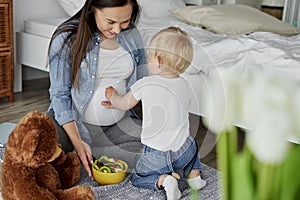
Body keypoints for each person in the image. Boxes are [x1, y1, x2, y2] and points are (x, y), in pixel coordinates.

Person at [46, 0, 148, 180]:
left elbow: (142, 80)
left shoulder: (132, 35)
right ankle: (84, 151)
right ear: (93, 10)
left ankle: (92, 153)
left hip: (117, 126)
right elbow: (60, 95)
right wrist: (78, 142)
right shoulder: (67, 37)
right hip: (72, 126)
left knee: (157, 151)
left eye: (124, 21)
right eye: (110, 22)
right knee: (33, 146)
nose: (117, 29)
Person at [101, 27, 206, 200]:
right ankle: (194, 177)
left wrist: (112, 96)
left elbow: (124, 104)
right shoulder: (186, 85)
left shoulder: (146, 83)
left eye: (149, 57)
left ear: (156, 61)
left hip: (156, 155)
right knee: (191, 142)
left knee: (137, 177)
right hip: (184, 152)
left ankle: (164, 181)